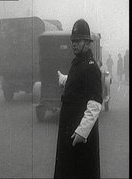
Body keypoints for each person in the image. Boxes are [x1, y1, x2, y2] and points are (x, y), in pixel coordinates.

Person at [54, 19, 103, 179]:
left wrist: (82, 132)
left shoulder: (91, 67)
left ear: (87, 43)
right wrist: (65, 80)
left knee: (80, 172)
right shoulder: (79, 63)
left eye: (78, 41)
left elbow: (95, 104)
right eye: (73, 41)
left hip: (81, 135)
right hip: (70, 128)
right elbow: (79, 82)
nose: (74, 44)